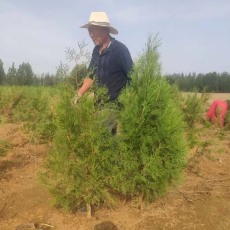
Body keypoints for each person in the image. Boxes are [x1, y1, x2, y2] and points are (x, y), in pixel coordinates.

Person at [74, 11, 133, 104]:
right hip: (98, 106)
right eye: (89, 31)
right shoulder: (96, 51)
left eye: (93, 30)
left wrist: (128, 103)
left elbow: (132, 77)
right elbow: (90, 77)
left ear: (105, 30)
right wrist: (78, 95)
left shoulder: (119, 49)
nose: (91, 35)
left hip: (115, 109)